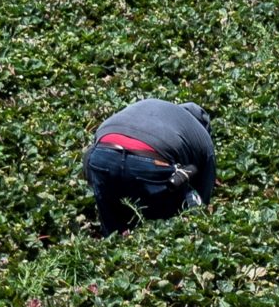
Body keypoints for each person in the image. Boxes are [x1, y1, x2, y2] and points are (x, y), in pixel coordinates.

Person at [83, 99, 216, 236]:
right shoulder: (201, 134)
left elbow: (91, 156)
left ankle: (114, 239)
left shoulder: (154, 109)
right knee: (163, 227)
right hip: (147, 162)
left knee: (113, 234)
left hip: (101, 156)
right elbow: (204, 190)